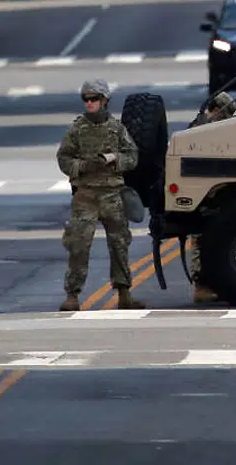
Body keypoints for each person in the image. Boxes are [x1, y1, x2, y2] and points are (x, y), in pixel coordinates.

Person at [56, 79, 143, 311]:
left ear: (104, 101)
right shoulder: (77, 129)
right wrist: (82, 167)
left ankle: (124, 292)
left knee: (119, 244)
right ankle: (72, 294)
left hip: (112, 195)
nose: (89, 103)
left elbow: (132, 156)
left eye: (94, 99)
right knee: (79, 245)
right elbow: (63, 158)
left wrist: (114, 160)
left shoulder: (117, 129)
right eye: (86, 99)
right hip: (86, 195)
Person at [185, 91, 236, 304]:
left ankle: (212, 284)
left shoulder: (209, 127)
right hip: (202, 194)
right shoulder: (200, 129)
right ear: (216, 109)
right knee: (200, 240)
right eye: (225, 114)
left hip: (213, 193)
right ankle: (201, 286)